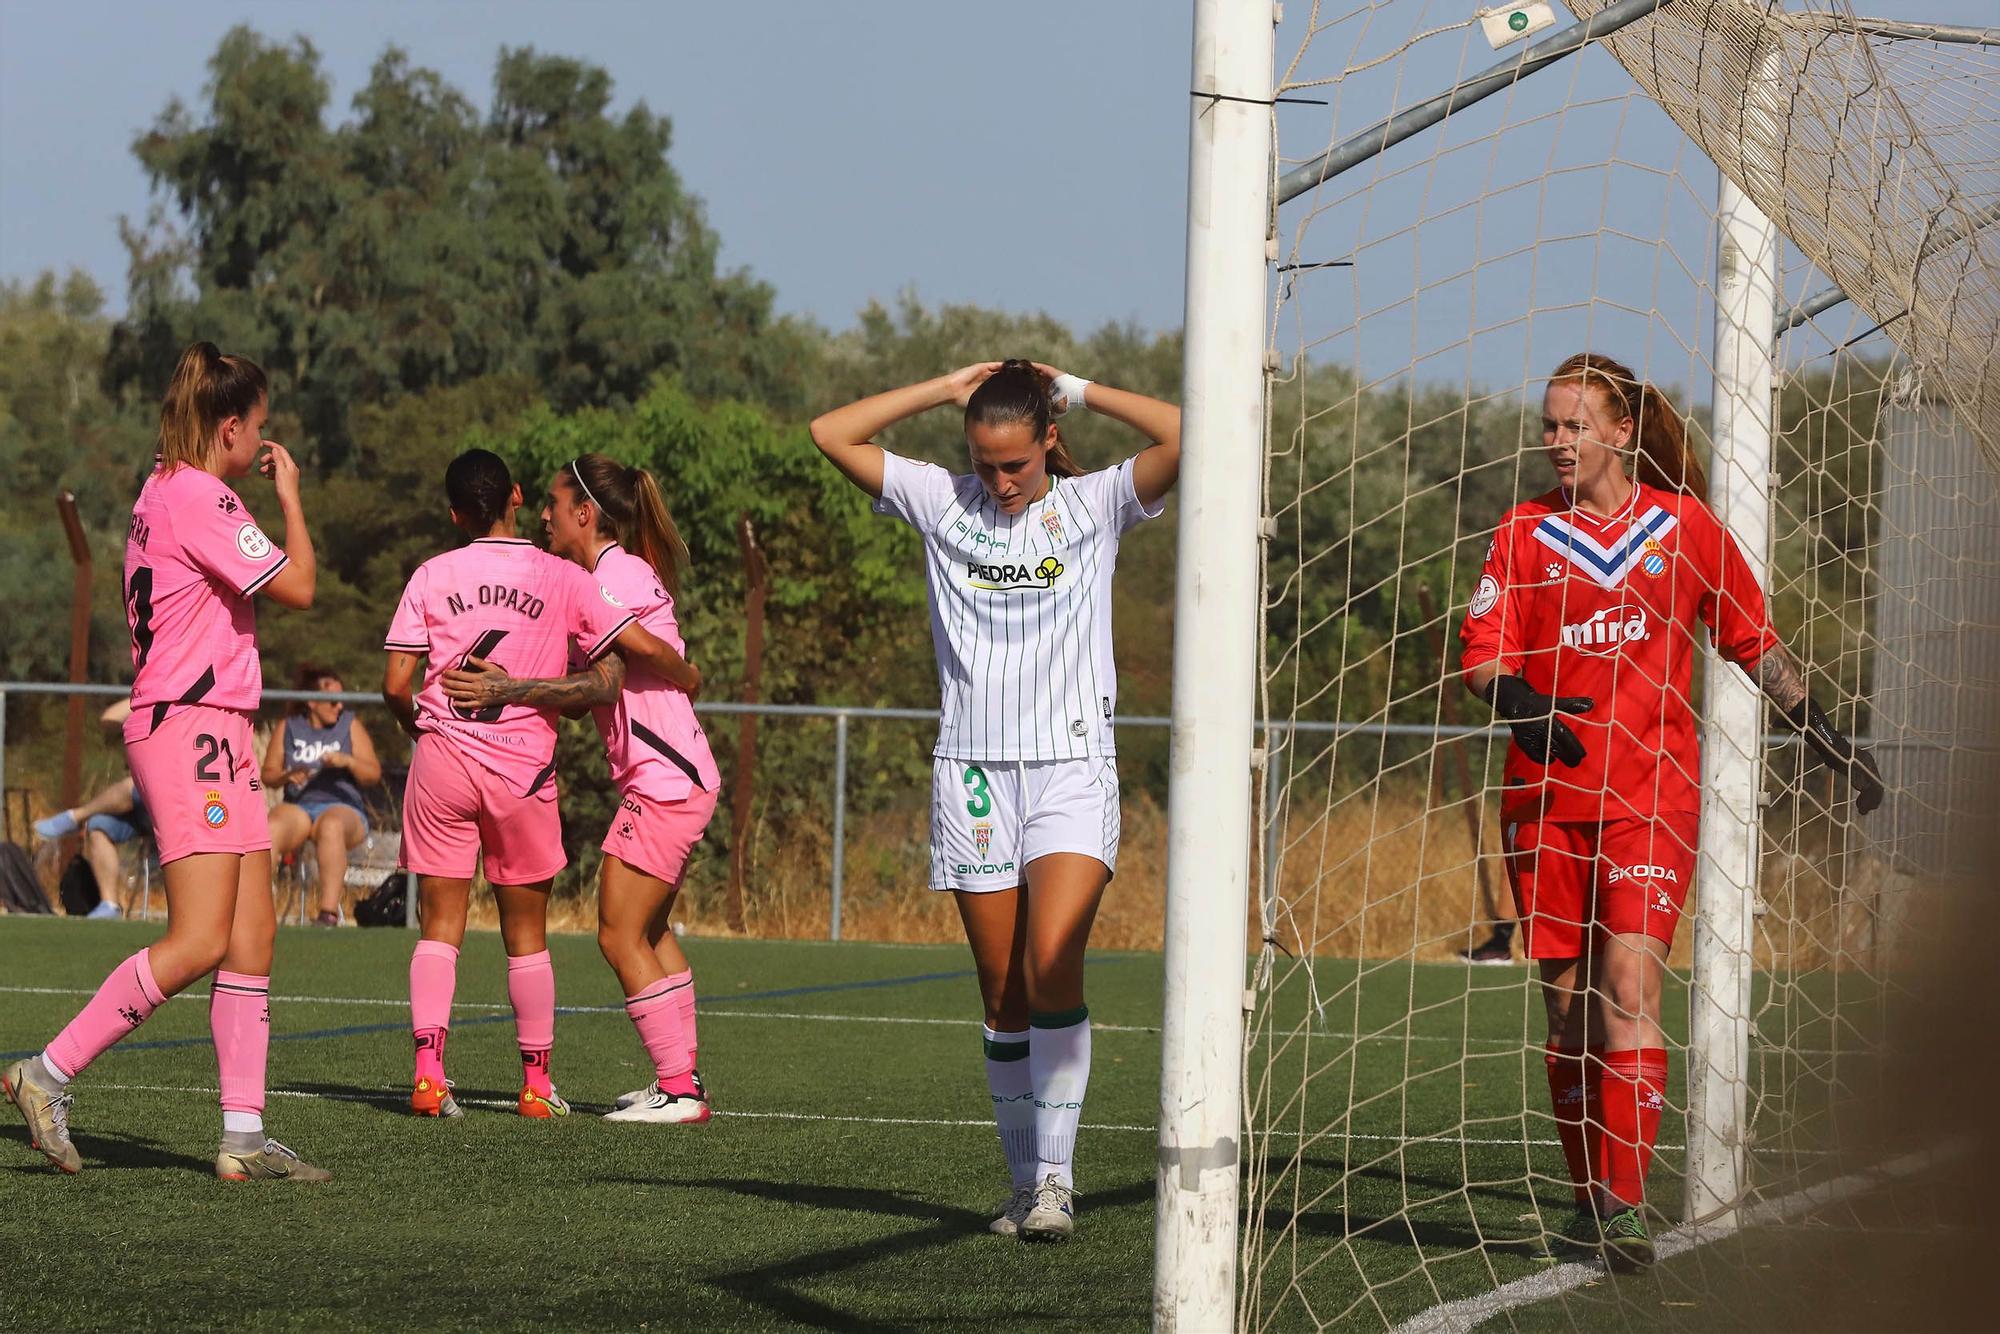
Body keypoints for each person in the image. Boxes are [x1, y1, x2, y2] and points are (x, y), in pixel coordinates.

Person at [1458, 351, 1884, 1270]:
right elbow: (1484, 658)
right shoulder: (1522, 534)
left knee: (1631, 989)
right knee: (1567, 1013)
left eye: (1574, 425)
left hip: (1652, 800)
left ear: (1621, 431)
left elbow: (1752, 640)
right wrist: (1522, 705)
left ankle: (1622, 1206)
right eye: (1549, 424)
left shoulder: (1685, 529)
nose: (1556, 441)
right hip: (1543, 805)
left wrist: (1822, 734)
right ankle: (1587, 1193)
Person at [808, 358, 1179, 1242]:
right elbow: (831, 433)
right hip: (972, 772)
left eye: (1015, 463)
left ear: (1048, 440)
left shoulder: (1093, 507)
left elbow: (1187, 430)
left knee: (1052, 965)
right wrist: (942, 388)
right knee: (1001, 989)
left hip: (1071, 768)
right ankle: (1022, 1185)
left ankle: (1056, 1182)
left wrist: (1079, 388)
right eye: (985, 463)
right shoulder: (943, 503)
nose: (1001, 481)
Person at [3, 340, 328, 1181]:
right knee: (199, 939)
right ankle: (46, 1072)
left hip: (212, 728)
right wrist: (290, 498)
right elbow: (298, 586)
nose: (264, 445)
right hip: (192, 731)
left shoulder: (163, 486)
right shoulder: (202, 498)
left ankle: (245, 1140)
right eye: (258, 430)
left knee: (253, 936)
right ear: (229, 428)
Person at [382, 448, 695, 1120]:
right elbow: (607, 679)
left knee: (438, 925)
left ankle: (430, 1078)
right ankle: (535, 1086)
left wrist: (425, 731)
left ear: (455, 513)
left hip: (442, 761)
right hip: (522, 770)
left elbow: (394, 685)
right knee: (526, 933)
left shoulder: (432, 573)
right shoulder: (563, 577)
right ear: (517, 497)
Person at [266, 665, 383, 926]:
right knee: (271, 827)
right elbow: (269, 774)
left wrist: (348, 762)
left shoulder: (349, 725)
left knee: (331, 826)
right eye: (333, 701)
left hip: (343, 806)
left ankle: (327, 913)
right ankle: (258, 908)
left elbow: (373, 773)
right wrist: (287, 775)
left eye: (343, 700)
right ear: (311, 701)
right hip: (300, 806)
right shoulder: (289, 727)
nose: (339, 706)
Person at [35, 699, 143, 919]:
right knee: (100, 825)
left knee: (135, 785)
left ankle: (76, 815)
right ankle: (109, 905)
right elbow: (110, 718)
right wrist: (150, 690)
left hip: (181, 807)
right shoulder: (159, 695)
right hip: (146, 807)